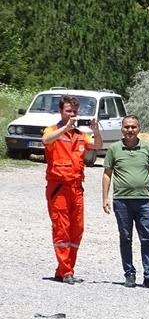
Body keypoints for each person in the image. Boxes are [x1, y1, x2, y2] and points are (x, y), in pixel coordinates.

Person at [41, 95, 102, 284]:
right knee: (62, 229)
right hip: (59, 187)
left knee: (77, 229)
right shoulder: (53, 130)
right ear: (61, 111)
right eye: (68, 111)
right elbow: (46, 140)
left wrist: (95, 130)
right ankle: (66, 271)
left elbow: (97, 145)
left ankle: (65, 270)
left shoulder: (80, 134)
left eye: (74, 111)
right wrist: (65, 128)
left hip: (76, 188)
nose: (72, 114)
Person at [101, 115, 149, 290]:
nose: (130, 130)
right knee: (126, 238)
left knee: (147, 238)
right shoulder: (114, 148)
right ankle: (129, 274)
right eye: (127, 127)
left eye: (133, 127)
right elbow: (107, 174)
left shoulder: (147, 148)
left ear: (139, 129)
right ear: (122, 129)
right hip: (122, 201)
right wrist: (105, 198)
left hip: (144, 201)